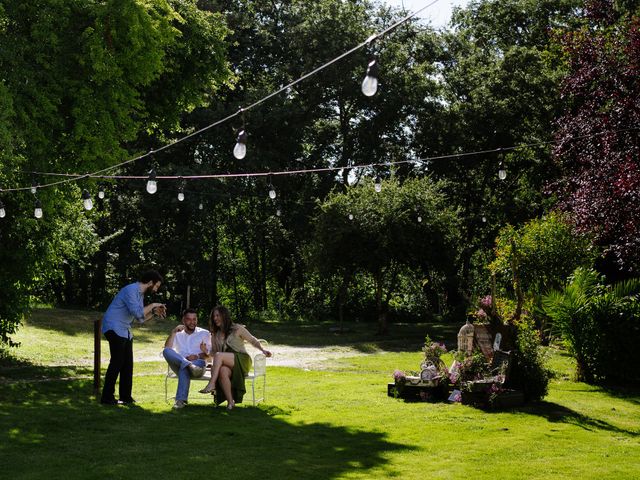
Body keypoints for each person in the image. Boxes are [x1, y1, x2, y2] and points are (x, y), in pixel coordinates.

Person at [100, 269, 166, 405]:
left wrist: (153, 313)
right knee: (117, 362)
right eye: (156, 286)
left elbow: (140, 319)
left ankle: (125, 397)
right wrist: (153, 305)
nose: (156, 290)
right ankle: (106, 397)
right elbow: (137, 312)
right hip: (113, 327)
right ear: (150, 282)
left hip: (125, 330)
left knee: (127, 364)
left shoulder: (140, 295)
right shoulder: (131, 290)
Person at [198, 305, 271, 410]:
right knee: (222, 371)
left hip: (242, 359)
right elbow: (214, 353)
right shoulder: (215, 334)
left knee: (219, 356)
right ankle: (230, 402)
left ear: (224, 315)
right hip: (225, 361)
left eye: (218, 315)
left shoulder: (237, 328)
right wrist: (207, 351)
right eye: (214, 316)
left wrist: (263, 350)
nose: (215, 318)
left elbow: (252, 340)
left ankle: (212, 384)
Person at [162, 308, 211, 409]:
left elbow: (210, 356)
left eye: (194, 319)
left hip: (198, 367)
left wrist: (197, 356)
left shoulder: (204, 333)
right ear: (183, 320)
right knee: (166, 351)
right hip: (182, 365)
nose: (192, 322)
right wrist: (173, 332)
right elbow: (168, 348)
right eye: (189, 319)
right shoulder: (177, 333)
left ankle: (180, 401)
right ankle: (187, 363)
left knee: (183, 368)